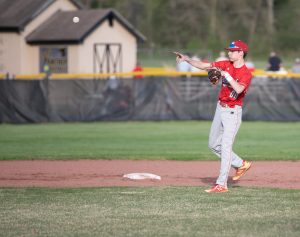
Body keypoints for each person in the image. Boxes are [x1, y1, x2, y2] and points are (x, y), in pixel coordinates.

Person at [174, 40, 252, 193]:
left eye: (233, 50)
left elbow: (238, 88)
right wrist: (187, 59)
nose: (229, 52)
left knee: (225, 146)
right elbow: (204, 66)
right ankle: (241, 164)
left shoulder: (245, 73)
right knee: (212, 144)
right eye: (229, 50)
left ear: (241, 53)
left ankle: (221, 184)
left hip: (232, 111)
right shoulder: (225, 64)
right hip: (220, 108)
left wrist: (226, 75)